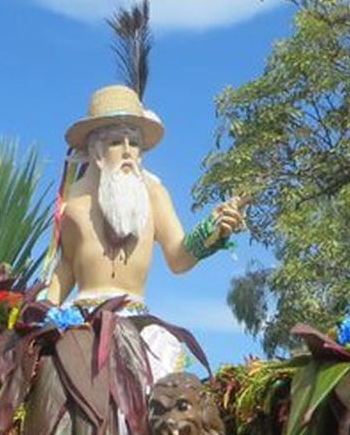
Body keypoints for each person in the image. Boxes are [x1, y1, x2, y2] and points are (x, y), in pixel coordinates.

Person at [45, 85, 243, 311]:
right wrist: (39, 317)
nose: (127, 151)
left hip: (138, 322)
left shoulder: (154, 194)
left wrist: (211, 231)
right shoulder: (75, 203)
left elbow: (178, 260)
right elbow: (68, 266)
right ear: (96, 151)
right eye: (116, 142)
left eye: (135, 143)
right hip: (82, 324)